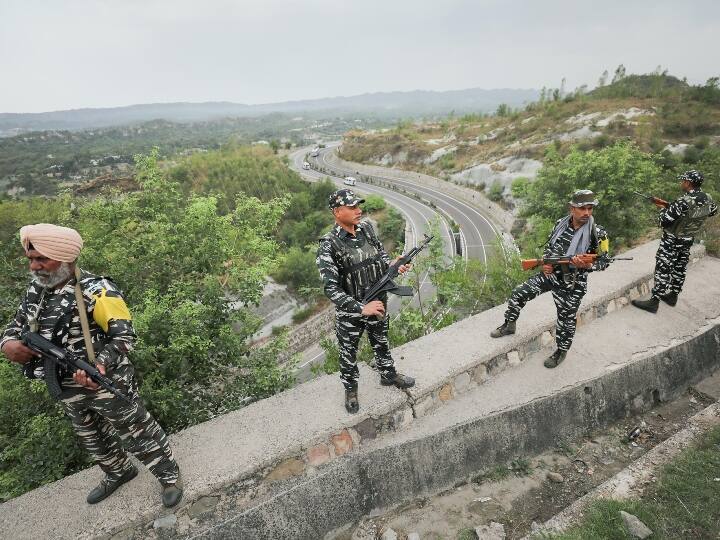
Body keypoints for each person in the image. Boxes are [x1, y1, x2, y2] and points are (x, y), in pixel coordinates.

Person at [0, 224, 183, 507]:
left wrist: (100, 365)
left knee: (136, 430)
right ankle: (118, 472)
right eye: (31, 260)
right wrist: (8, 344)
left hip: (106, 381)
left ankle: (169, 477)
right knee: (91, 436)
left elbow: (124, 337)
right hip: (66, 385)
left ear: (65, 258)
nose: (35, 267)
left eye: (42, 259)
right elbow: (16, 325)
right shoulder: (37, 291)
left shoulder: (99, 291)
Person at [316, 189, 415, 413]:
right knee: (348, 352)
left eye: (358, 206)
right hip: (352, 312)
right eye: (352, 207)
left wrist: (394, 266)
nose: (358, 211)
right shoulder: (328, 245)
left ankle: (388, 375)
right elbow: (331, 289)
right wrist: (362, 308)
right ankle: (351, 391)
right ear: (337, 211)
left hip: (378, 302)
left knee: (381, 341)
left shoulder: (367, 229)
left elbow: (380, 259)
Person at [490, 190, 611, 368]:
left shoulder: (598, 233)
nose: (586, 213)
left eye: (590, 208)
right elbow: (550, 248)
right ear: (572, 208)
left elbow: (605, 261)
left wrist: (587, 265)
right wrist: (545, 263)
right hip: (551, 275)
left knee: (566, 319)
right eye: (582, 208)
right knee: (518, 293)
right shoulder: (560, 224)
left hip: (573, 283)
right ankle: (509, 325)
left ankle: (561, 351)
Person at [632, 170, 717, 313]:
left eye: (683, 181)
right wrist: (674, 208)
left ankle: (654, 302)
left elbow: (663, 221)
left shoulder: (683, 201)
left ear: (688, 183)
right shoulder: (707, 198)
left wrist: (663, 209)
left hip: (672, 240)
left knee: (663, 267)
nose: (681, 183)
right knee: (680, 267)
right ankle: (673, 295)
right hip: (688, 239)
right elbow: (713, 211)